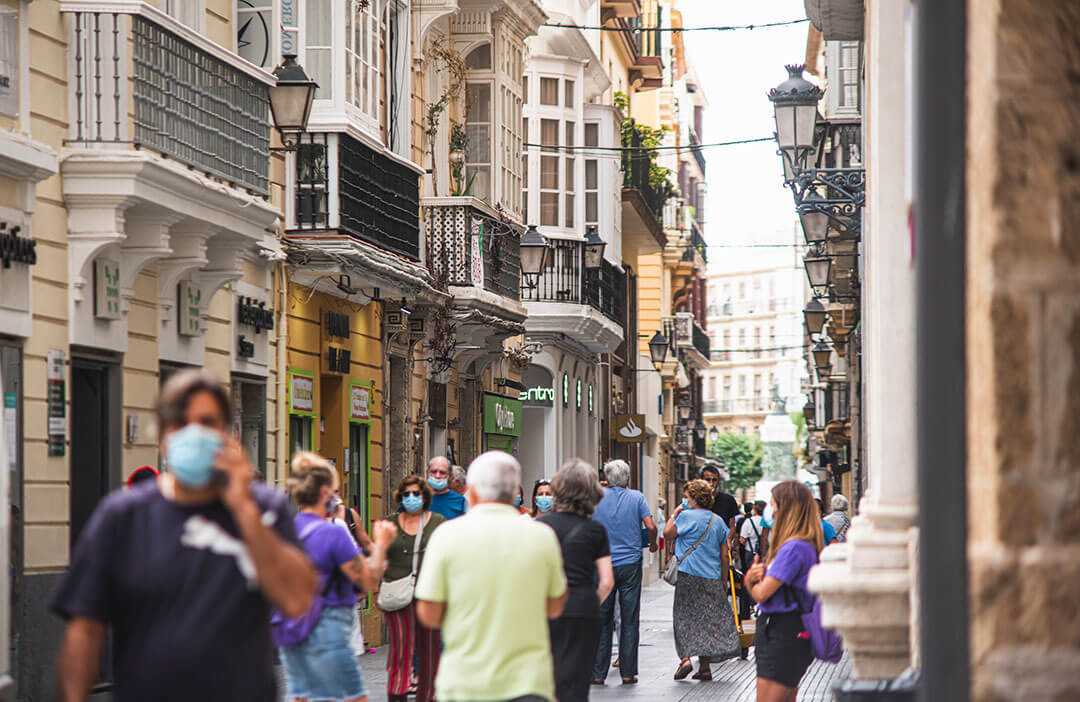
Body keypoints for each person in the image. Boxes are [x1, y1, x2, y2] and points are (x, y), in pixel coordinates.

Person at [51, 371, 318, 702]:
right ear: (163, 438)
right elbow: (85, 631)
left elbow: (297, 601)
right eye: (180, 422)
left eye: (206, 422)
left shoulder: (266, 509)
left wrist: (244, 510)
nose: (194, 432)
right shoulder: (123, 515)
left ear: (227, 435)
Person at [416, 451, 568, 702]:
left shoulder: (446, 536)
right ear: (513, 494)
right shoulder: (541, 536)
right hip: (527, 682)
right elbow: (555, 607)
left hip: (464, 682)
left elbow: (428, 613)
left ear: (471, 492)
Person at [279, 453, 396, 702]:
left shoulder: (286, 531)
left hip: (293, 629)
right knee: (352, 697)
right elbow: (367, 581)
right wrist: (382, 545)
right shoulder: (333, 534)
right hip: (328, 628)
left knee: (301, 695)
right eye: (333, 491)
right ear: (324, 493)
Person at [537, 460, 614, 702]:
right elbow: (606, 581)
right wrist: (591, 601)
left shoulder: (539, 526)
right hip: (583, 608)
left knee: (546, 675)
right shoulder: (595, 530)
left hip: (545, 608)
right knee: (578, 679)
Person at [743, 481, 824, 700]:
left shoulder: (792, 548)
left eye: (773, 505)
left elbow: (762, 593)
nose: (771, 512)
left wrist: (750, 580)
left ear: (785, 509)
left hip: (781, 632)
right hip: (793, 632)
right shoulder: (807, 545)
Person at [663, 479, 740, 682]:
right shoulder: (718, 522)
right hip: (712, 577)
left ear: (695, 498)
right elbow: (725, 555)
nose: (685, 501)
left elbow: (667, 533)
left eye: (687, 497)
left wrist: (675, 513)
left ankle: (686, 659)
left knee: (683, 618)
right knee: (707, 621)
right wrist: (724, 580)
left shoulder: (685, 516)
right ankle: (704, 667)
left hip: (688, 575)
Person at [590, 459, 658, 686]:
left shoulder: (597, 497)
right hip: (630, 563)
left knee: (602, 618)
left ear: (607, 478)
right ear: (628, 477)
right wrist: (653, 543)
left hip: (602, 563)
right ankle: (628, 672)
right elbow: (650, 526)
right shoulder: (637, 497)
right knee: (629, 618)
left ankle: (598, 673)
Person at [382, 476, 445, 702]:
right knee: (400, 649)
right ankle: (397, 693)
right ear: (400, 496)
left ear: (425, 497)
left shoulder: (437, 521)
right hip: (398, 593)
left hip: (429, 594)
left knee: (429, 651)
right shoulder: (389, 523)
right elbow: (379, 556)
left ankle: (429, 695)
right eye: (407, 494)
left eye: (416, 494)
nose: (411, 498)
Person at [701, 465, 740, 532]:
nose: (711, 483)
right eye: (708, 480)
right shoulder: (694, 500)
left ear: (718, 481)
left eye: (714, 480)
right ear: (701, 481)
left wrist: (728, 540)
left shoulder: (728, 500)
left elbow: (732, 526)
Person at [740, 501, 765, 568]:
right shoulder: (768, 521)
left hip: (750, 551)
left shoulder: (749, 521)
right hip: (765, 552)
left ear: (754, 509)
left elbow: (742, 540)